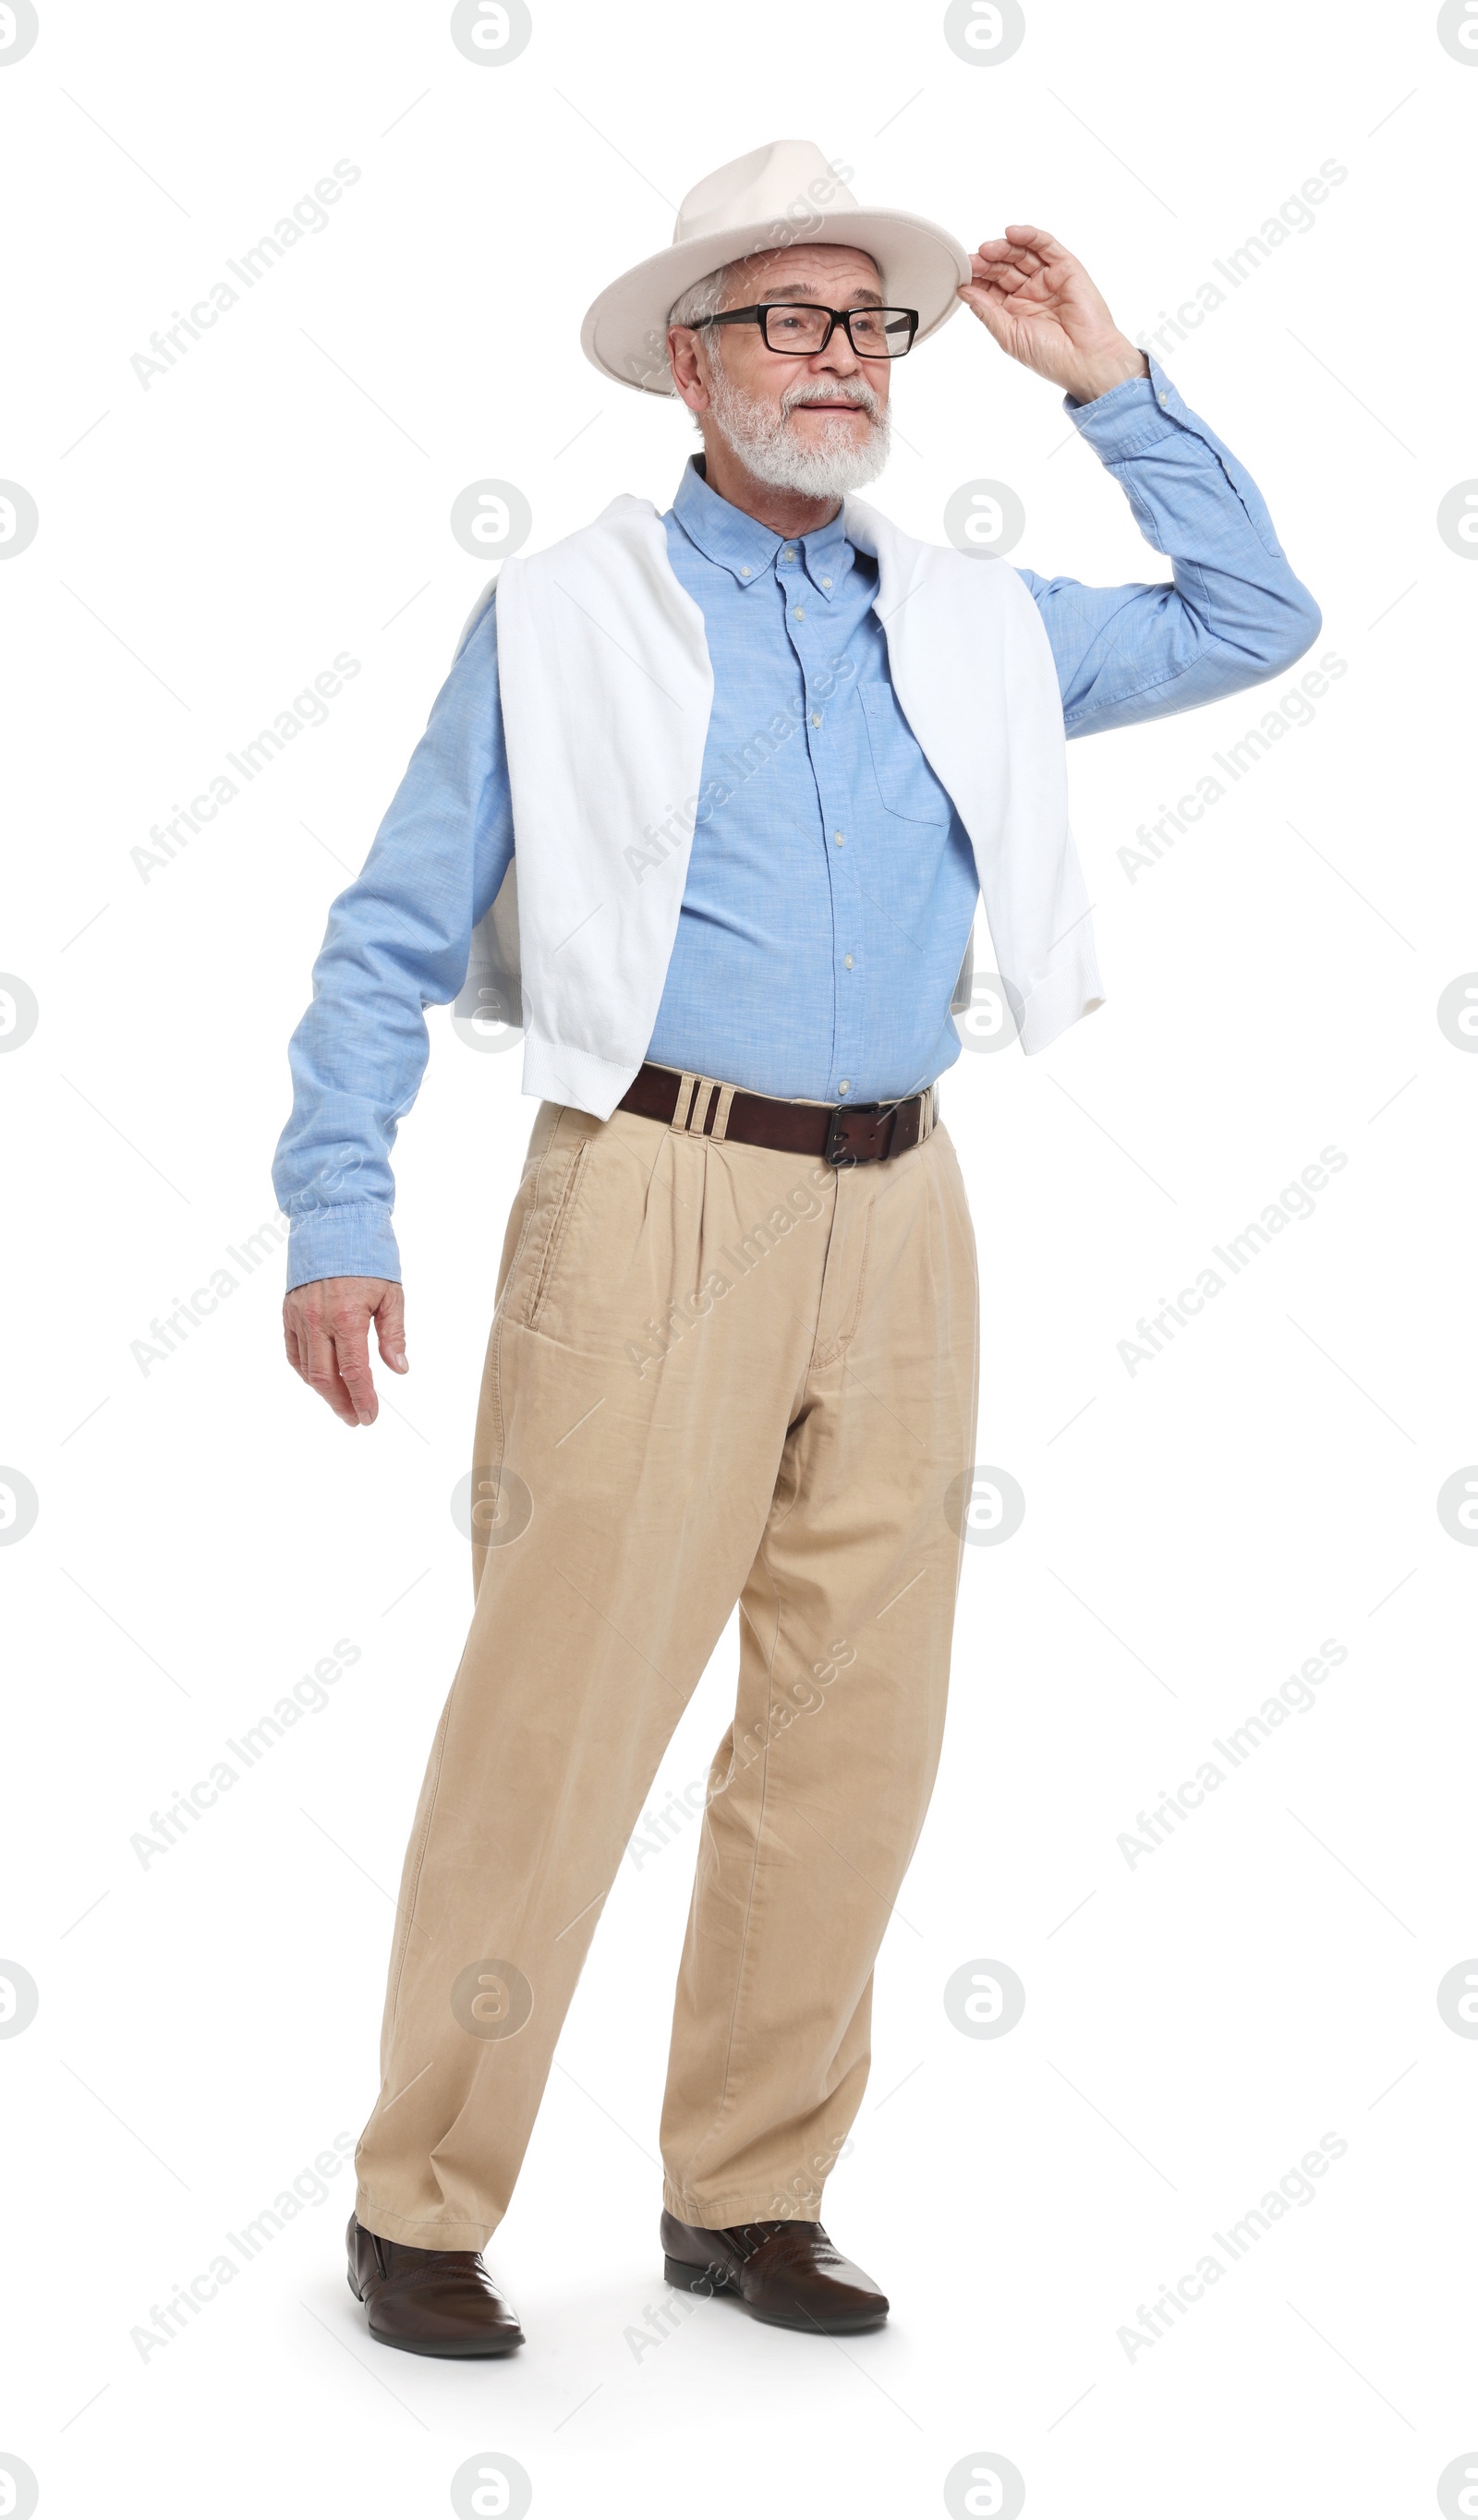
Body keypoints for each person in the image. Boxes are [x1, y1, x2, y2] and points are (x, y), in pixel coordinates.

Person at [274, 138, 1319, 2356]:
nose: (839, 359)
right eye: (788, 319)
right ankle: (423, 2196)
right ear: (690, 361)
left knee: (855, 1720)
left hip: (900, 1200)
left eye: (871, 324)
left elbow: (1254, 617)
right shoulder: (559, 612)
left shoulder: (969, 619)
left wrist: (1106, 381)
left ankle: (746, 2186)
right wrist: (336, 1207)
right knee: (556, 1719)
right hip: (647, 1191)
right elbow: (381, 929)